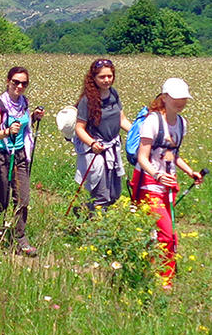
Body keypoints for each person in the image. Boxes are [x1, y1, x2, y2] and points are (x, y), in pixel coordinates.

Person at [133, 77, 204, 290]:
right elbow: (142, 157)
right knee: (166, 233)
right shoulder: (153, 121)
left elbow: (172, 155)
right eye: (176, 98)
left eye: (183, 98)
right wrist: (157, 175)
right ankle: (165, 281)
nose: (181, 102)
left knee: (159, 233)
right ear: (164, 98)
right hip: (148, 184)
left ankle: (149, 270)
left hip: (168, 185)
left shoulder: (181, 123)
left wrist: (190, 171)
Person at [0, 66, 45, 256]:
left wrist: (33, 117)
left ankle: (20, 238)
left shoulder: (24, 102)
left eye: (24, 83)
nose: (19, 86)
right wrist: (7, 132)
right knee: (2, 200)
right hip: (0, 155)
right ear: (8, 81)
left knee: (23, 199)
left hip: (20, 155)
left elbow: (23, 125)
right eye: (15, 82)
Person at [73, 58, 132, 212]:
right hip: (96, 151)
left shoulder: (113, 94)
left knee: (114, 194)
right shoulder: (87, 100)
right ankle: (97, 232)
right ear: (94, 78)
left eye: (109, 76)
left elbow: (122, 119)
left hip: (112, 148)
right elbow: (79, 128)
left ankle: (83, 211)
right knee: (101, 195)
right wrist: (92, 143)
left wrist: (138, 134)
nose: (107, 80)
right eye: (102, 77)